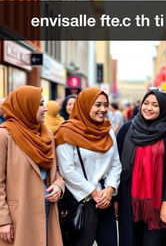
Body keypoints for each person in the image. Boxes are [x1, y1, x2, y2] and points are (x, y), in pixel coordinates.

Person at [55, 87, 122, 246]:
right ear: (85, 105)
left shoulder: (108, 131)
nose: (103, 109)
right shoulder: (66, 132)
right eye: (97, 105)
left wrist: (110, 189)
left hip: (105, 200)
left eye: (105, 105)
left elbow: (115, 164)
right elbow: (67, 170)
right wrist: (93, 193)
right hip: (80, 202)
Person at [0, 86, 64, 246]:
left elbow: (55, 171)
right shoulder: (4, 135)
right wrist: (3, 220)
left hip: (47, 207)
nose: (46, 108)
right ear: (26, 105)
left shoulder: (46, 134)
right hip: (20, 214)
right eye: (40, 104)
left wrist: (58, 186)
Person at [116, 88, 166, 246]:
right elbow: (116, 165)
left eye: (155, 105)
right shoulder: (126, 129)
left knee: (154, 241)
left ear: (164, 108)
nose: (149, 108)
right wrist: (115, 199)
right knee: (130, 240)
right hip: (129, 198)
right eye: (146, 103)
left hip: (158, 200)